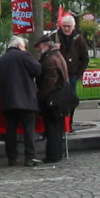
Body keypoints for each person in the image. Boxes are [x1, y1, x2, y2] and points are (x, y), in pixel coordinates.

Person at [0, 35, 41, 167]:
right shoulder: (25, 56)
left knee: (10, 130)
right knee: (29, 130)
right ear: (19, 46)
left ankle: (12, 158)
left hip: (8, 101)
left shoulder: (0, 61)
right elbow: (38, 70)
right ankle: (30, 157)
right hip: (27, 100)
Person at [34, 34, 68, 164]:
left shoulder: (49, 60)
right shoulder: (57, 56)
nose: (38, 49)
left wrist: (41, 98)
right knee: (56, 128)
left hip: (52, 99)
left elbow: (49, 82)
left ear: (47, 45)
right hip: (59, 97)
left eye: (39, 46)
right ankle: (56, 154)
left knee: (52, 128)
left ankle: (53, 155)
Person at [54, 14, 90, 92]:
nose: (66, 28)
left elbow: (85, 58)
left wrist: (77, 74)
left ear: (73, 27)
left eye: (69, 26)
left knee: (70, 100)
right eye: (64, 26)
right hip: (56, 75)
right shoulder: (54, 37)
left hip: (72, 76)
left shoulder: (79, 40)